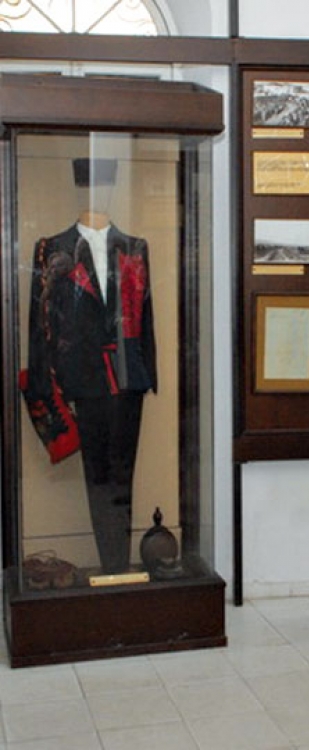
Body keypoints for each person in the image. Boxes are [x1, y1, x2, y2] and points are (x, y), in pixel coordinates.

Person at [25, 157, 157, 575]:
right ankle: (111, 566)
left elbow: (145, 315)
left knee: (124, 473)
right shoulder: (51, 248)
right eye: (88, 185)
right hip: (79, 381)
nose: (96, 193)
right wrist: (44, 385)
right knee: (96, 475)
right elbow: (39, 323)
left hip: (128, 379)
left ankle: (118, 569)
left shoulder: (135, 246)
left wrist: (147, 373)